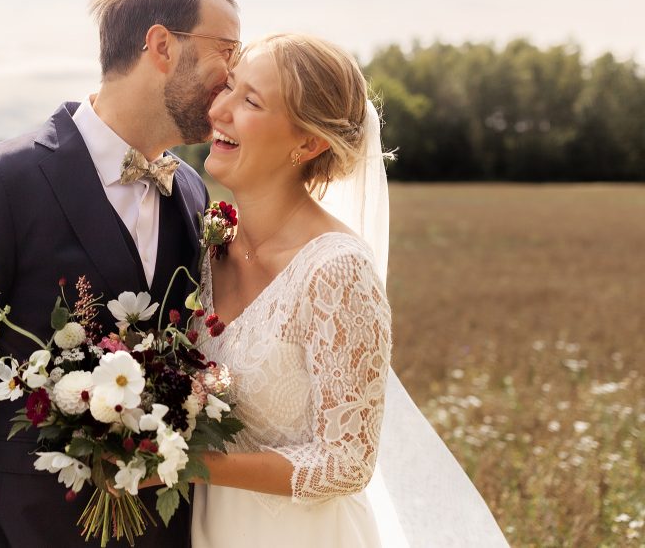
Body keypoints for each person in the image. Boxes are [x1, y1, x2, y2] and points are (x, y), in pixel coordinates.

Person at [0, 0, 240, 548]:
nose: (235, 76)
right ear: (161, 45)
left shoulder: (189, 189)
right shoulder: (0, 184)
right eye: (228, 50)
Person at [188, 34, 509, 546]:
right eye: (228, 87)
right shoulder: (205, 243)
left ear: (308, 143)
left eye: (250, 100)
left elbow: (346, 463)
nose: (219, 109)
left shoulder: (337, 272)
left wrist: (190, 465)